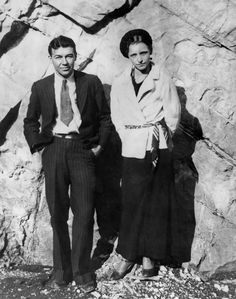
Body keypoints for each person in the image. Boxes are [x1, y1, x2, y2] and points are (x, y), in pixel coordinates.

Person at [23, 35, 112, 292]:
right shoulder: (40, 87)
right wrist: (40, 146)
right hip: (54, 150)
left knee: (84, 213)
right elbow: (30, 121)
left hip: (83, 150)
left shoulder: (90, 82)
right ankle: (61, 272)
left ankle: (83, 272)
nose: (65, 62)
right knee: (58, 214)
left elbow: (105, 118)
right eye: (59, 57)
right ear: (50, 58)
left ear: (76, 56)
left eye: (69, 56)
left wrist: (97, 148)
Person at [110, 29, 181, 279]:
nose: (140, 59)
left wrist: (160, 137)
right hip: (132, 147)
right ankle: (128, 255)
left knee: (155, 202)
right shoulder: (120, 82)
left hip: (157, 147)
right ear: (127, 57)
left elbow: (173, 113)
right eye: (134, 55)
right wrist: (130, 136)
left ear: (150, 52)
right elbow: (116, 115)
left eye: (143, 53)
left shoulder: (162, 78)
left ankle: (150, 256)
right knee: (131, 201)